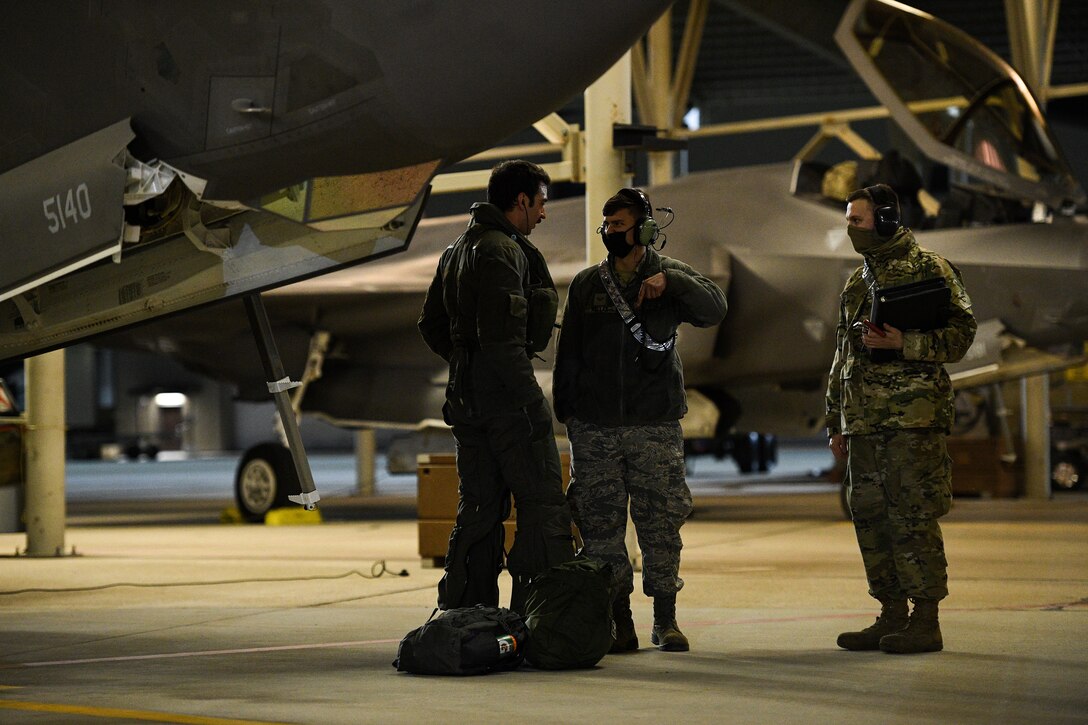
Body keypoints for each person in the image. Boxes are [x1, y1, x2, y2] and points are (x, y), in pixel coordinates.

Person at [553, 187, 727, 652]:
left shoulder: (670, 275)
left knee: (660, 524)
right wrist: (570, 416)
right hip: (596, 427)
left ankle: (665, 620)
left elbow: (714, 309)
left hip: (654, 425)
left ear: (645, 230)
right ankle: (619, 621)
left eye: (619, 225)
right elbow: (568, 354)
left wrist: (672, 283)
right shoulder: (588, 284)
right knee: (600, 528)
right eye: (607, 225)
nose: (610, 232)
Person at [418, 160, 575, 614]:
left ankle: (469, 618)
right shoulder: (502, 251)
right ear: (521, 200)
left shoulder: (455, 251)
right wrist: (532, 402)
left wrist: (465, 365)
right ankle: (543, 618)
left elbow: (431, 324)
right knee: (542, 505)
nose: (543, 213)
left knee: (479, 510)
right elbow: (503, 343)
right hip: (509, 406)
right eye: (540, 202)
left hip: (466, 404)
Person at [826, 183, 976, 654]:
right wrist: (835, 419)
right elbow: (842, 356)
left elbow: (961, 336)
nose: (851, 229)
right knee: (869, 518)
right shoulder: (857, 282)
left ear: (886, 219)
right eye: (848, 221)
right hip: (863, 423)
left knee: (913, 516)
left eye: (857, 220)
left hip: (912, 421)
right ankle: (890, 614)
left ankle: (925, 620)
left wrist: (903, 343)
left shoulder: (930, 269)